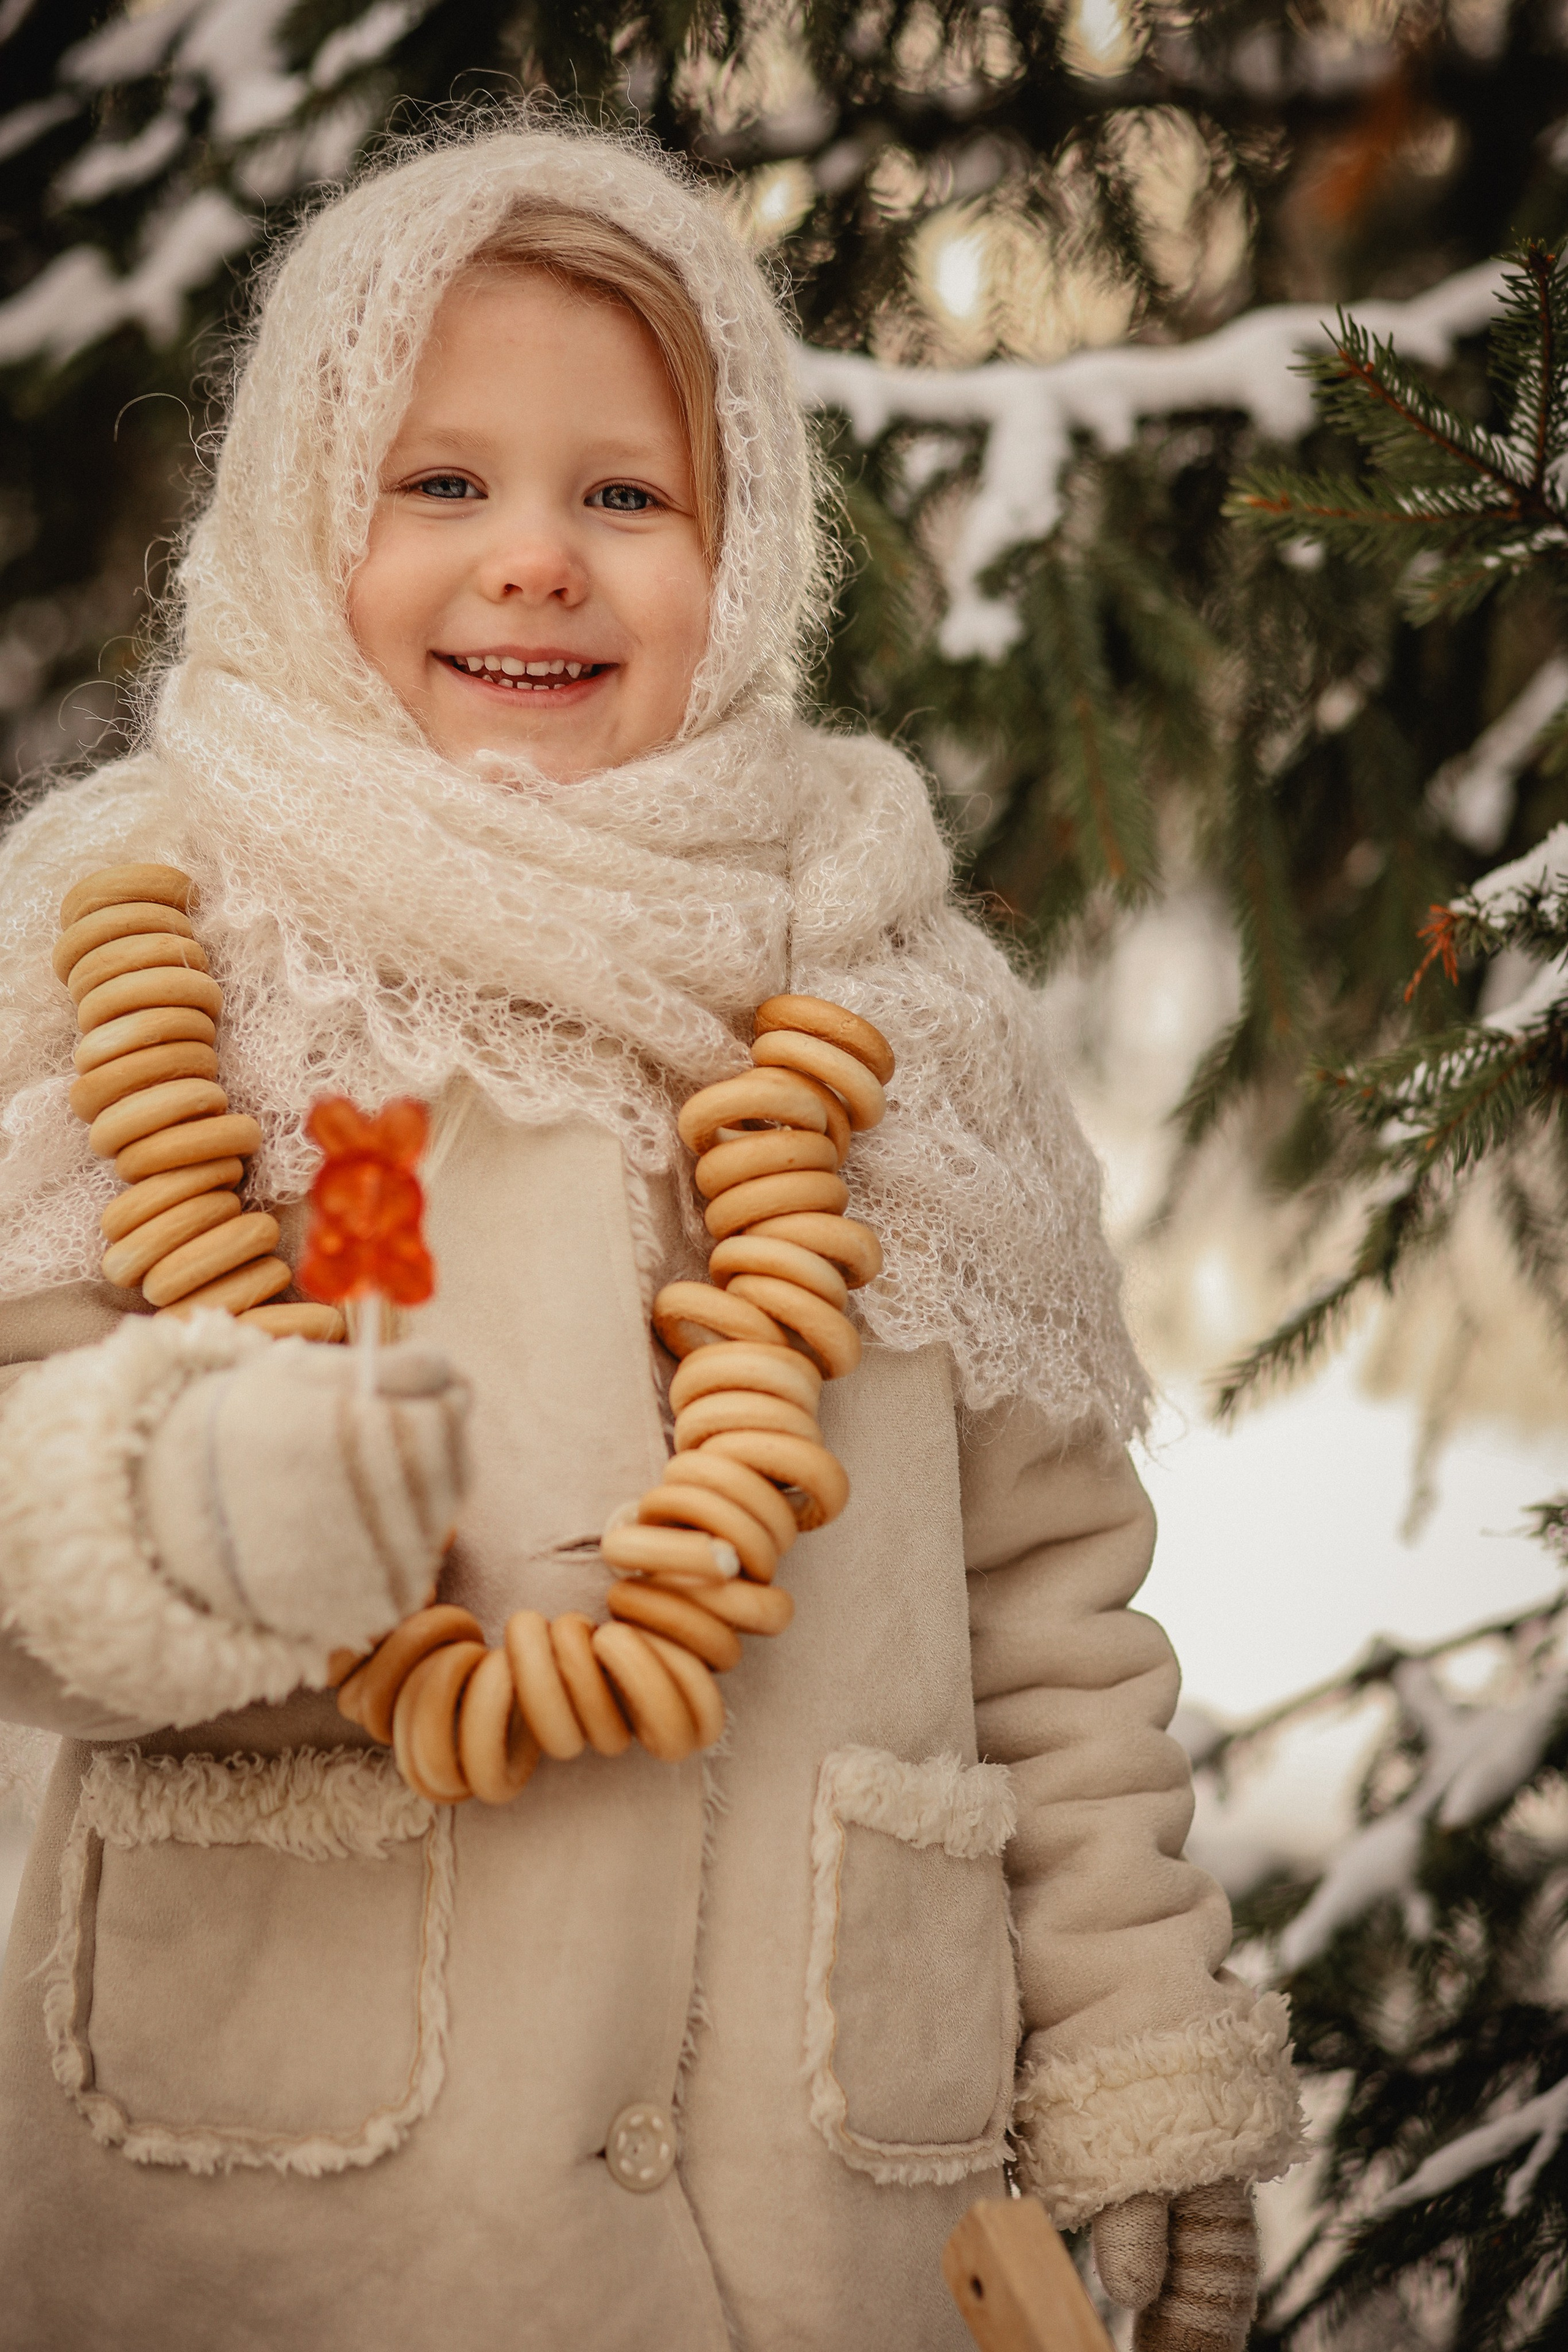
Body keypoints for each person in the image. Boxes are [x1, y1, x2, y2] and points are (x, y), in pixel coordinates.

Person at [0, 119, 1302, 2351]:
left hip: (817, 2225)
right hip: (286, 2221)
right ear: (304, 524)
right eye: (441, 486)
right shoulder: (137, 950)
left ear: (748, 539)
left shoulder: (902, 1009)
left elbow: (1050, 1620)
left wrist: (1134, 2059)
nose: (537, 562)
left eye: (626, 494)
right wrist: (189, 1501)